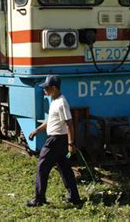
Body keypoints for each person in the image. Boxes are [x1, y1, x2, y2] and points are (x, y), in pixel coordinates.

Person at [27, 75, 82, 207]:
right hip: (58, 139)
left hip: (56, 140)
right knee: (65, 169)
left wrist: (71, 143)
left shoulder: (62, 103)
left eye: (46, 88)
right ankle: (74, 197)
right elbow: (50, 121)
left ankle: (39, 199)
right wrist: (37, 130)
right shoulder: (54, 100)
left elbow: (69, 124)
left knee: (42, 167)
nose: (44, 90)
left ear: (54, 88)